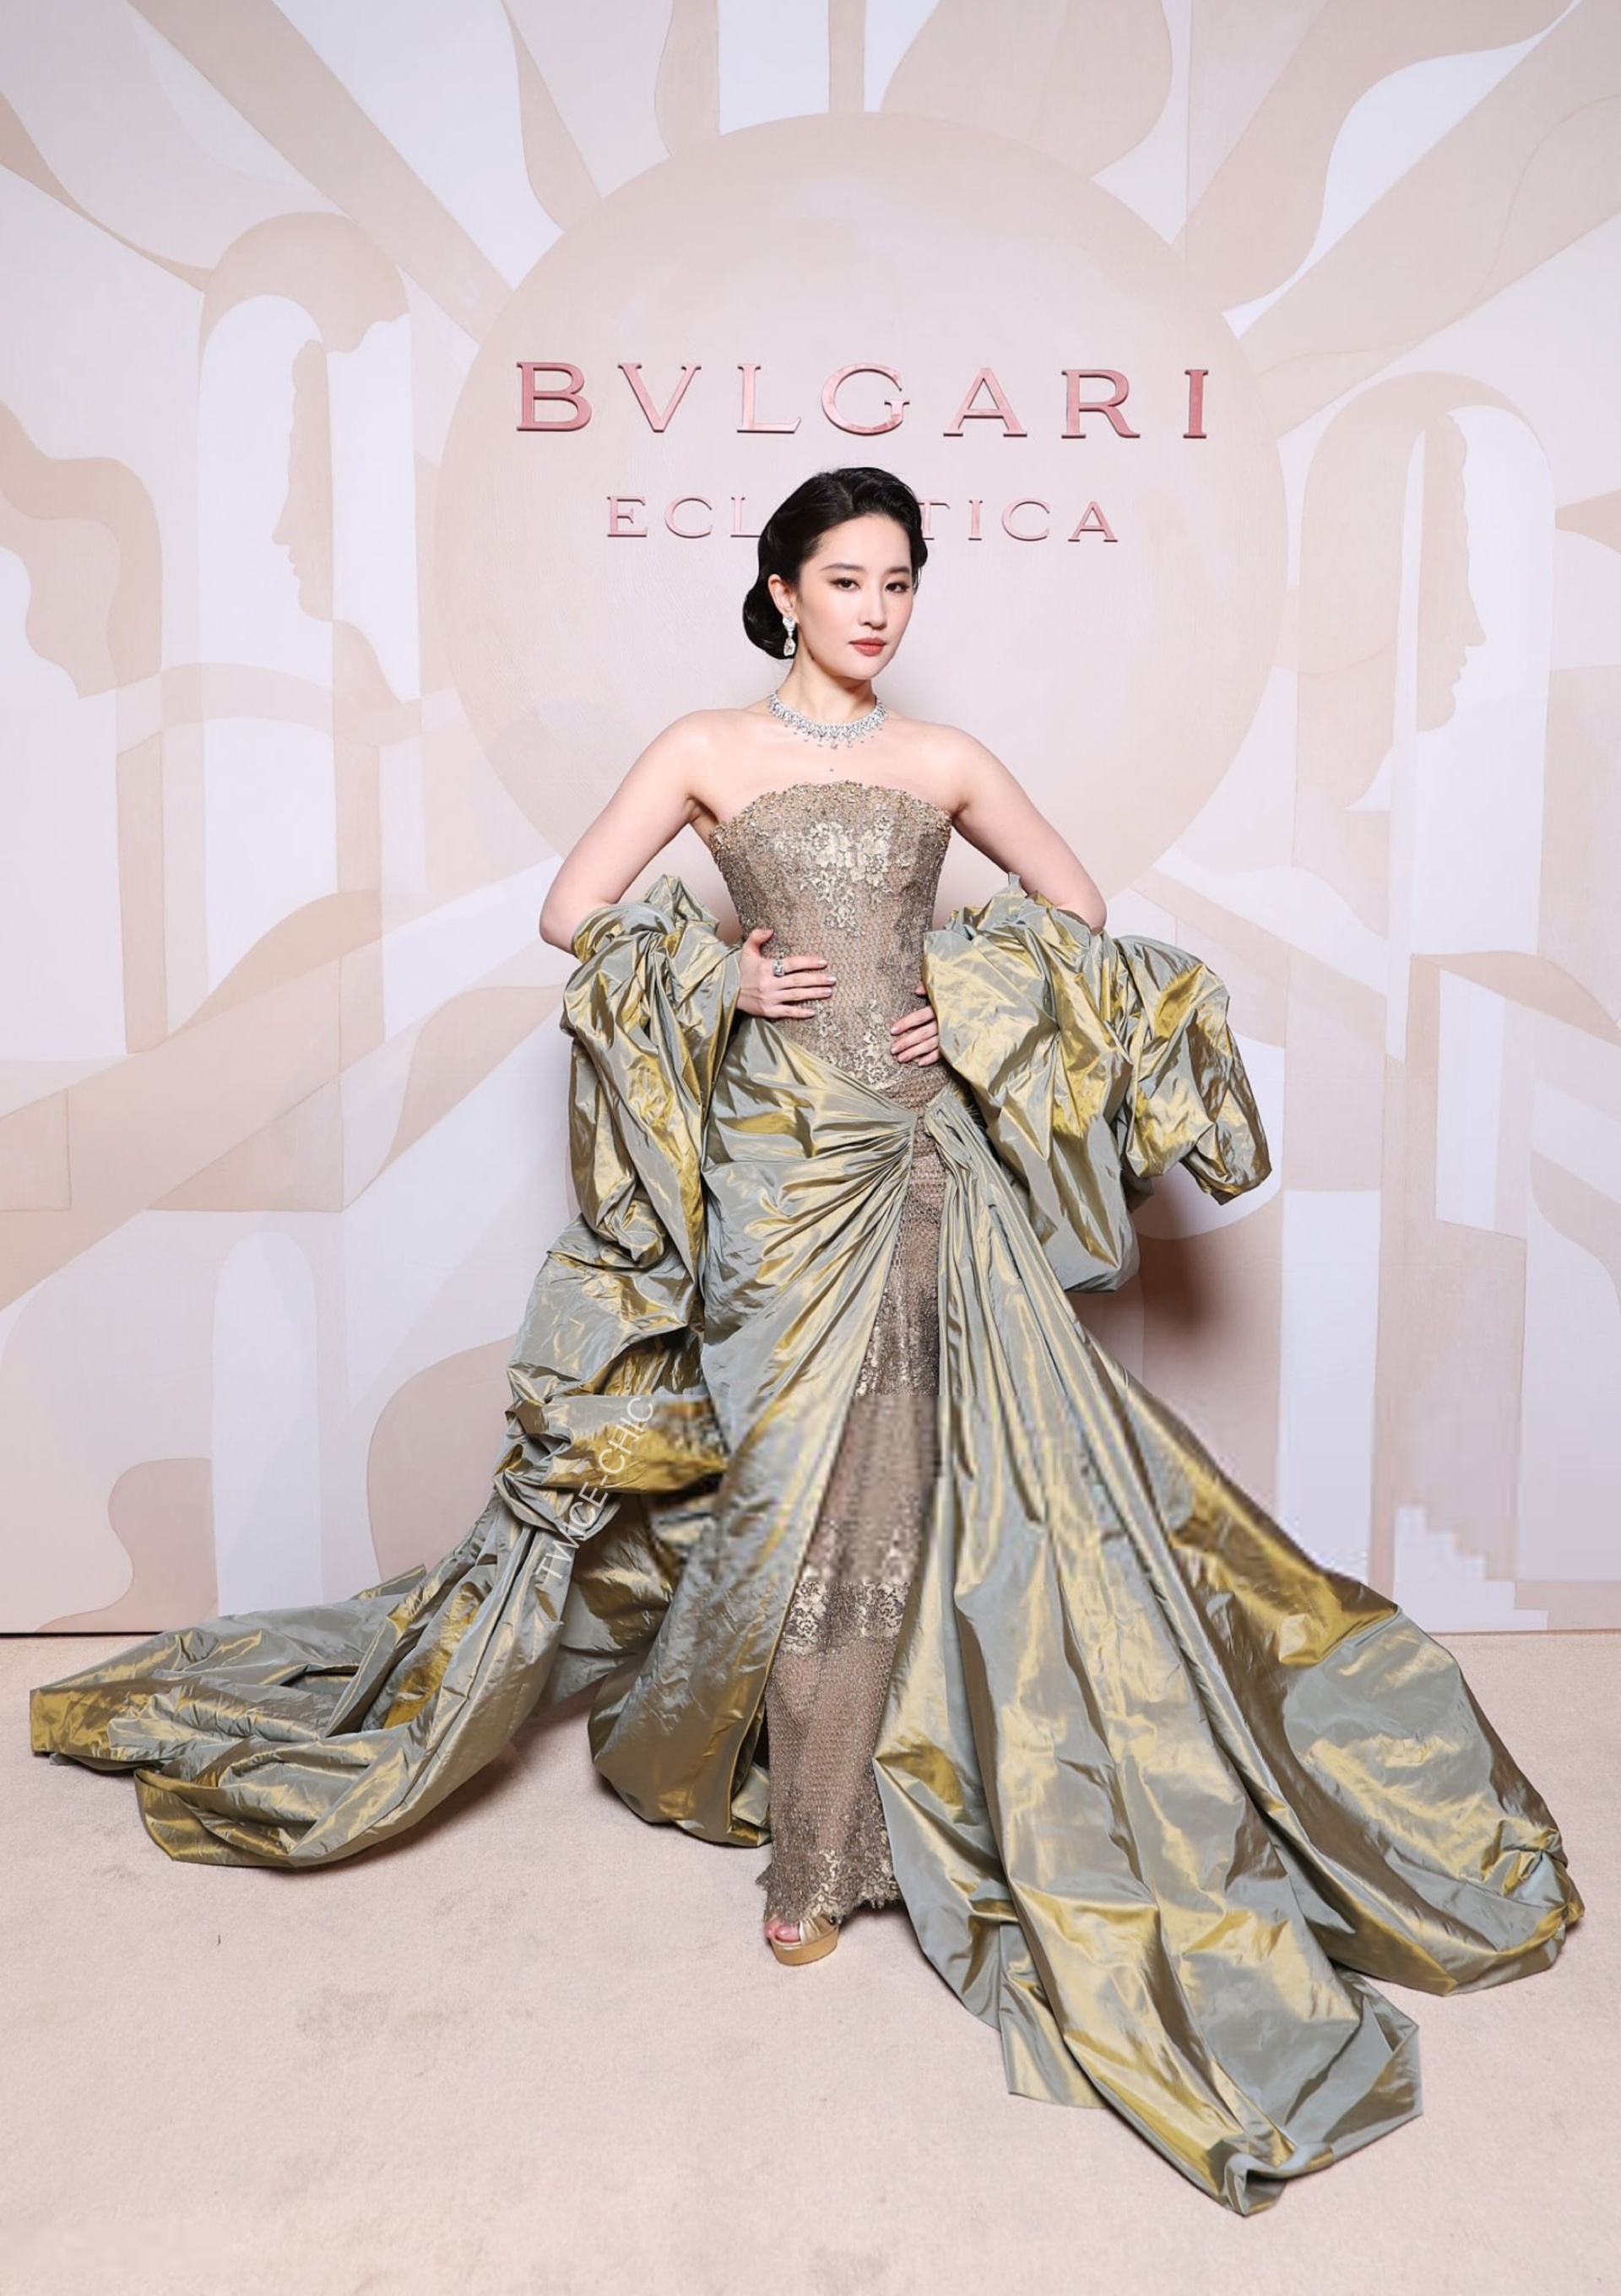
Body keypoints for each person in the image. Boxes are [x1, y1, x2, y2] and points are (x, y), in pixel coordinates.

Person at [30, 467, 1581, 2214]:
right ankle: (781, 1770)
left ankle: (827, 1847)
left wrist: (966, 996)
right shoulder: (708, 747)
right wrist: (721, 981)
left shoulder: (946, 760)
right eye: (846, 580)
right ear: (780, 591)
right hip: (776, 1171)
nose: (877, 610)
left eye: (899, 581)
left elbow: (1078, 912)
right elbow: (572, 909)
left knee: (909, 1488)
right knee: (788, 1492)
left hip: (914, 1160)